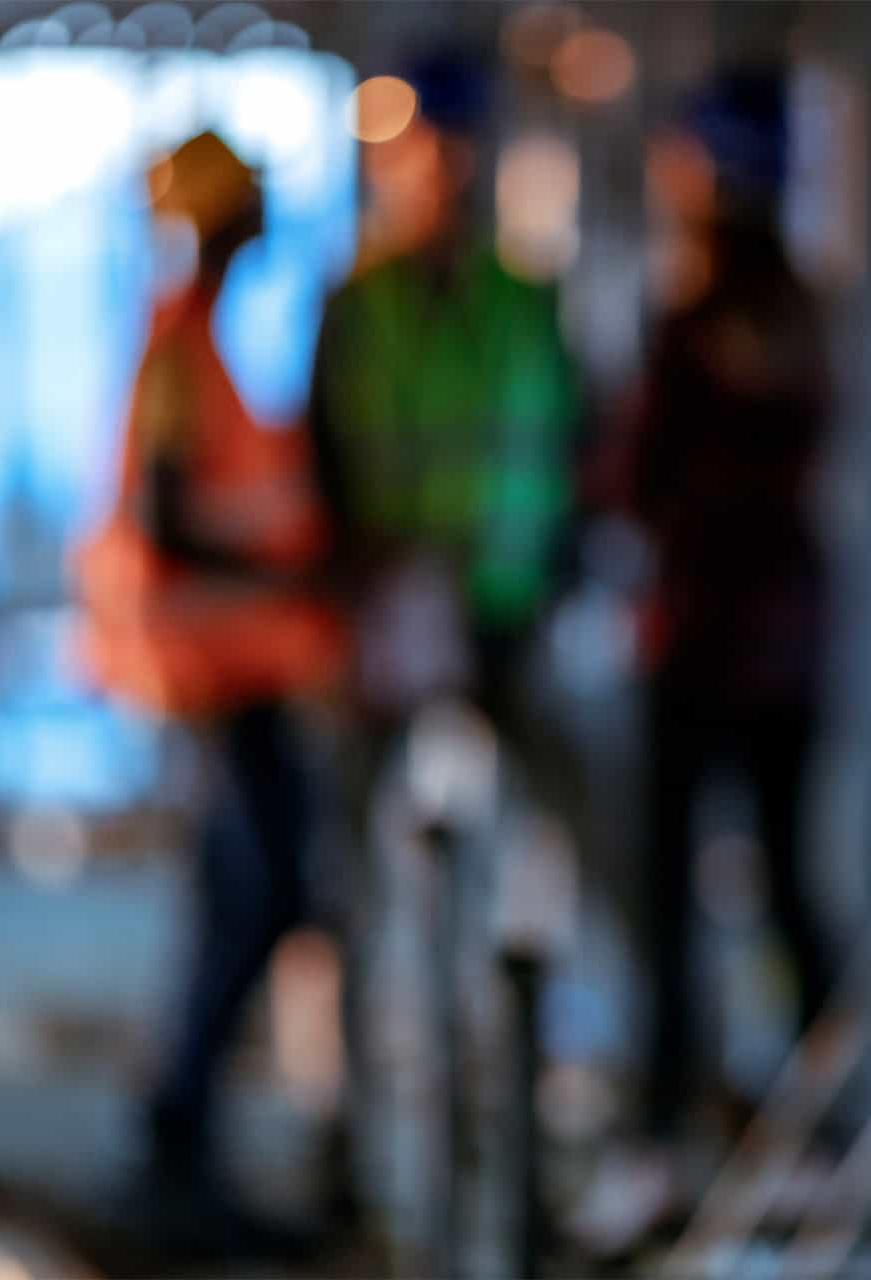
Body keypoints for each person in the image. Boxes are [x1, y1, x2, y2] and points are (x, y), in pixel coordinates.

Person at [569, 70, 837, 1254]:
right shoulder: (804, 315)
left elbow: (631, 477)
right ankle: (820, 1136)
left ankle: (657, 1140)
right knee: (787, 888)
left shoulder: (686, 321)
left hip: (695, 640)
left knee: (672, 899)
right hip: (789, 640)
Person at [73, 130, 343, 1254]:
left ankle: (183, 1136)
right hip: (208, 674)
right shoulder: (180, 348)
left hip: (242, 673)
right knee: (255, 894)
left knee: (253, 895)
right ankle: (172, 1137)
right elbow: (172, 521)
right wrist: (290, 569)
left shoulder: (202, 343)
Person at [309, 51, 581, 720]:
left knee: (499, 796)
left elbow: (571, 435)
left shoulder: (525, 299)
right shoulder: (358, 302)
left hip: (507, 593)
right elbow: (323, 444)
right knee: (394, 803)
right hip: (391, 593)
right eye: (418, 148)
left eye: (451, 146)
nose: (437, 169)